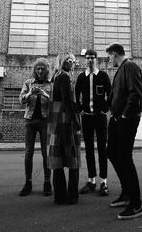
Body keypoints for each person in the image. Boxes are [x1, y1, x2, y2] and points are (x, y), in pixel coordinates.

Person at [106, 43, 142, 220]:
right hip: (116, 118)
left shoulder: (130, 66)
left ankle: (136, 204)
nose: (108, 60)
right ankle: (126, 193)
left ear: (114, 54)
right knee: (112, 152)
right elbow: (118, 94)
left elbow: (135, 93)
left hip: (126, 119)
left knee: (125, 157)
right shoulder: (121, 69)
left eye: (109, 57)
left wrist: (124, 115)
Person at [75, 49, 111, 196]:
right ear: (85, 60)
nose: (90, 60)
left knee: (102, 149)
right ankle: (91, 181)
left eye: (92, 58)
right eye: (87, 58)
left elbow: (111, 93)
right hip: (87, 118)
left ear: (96, 59)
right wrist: (80, 109)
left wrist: (105, 109)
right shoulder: (81, 77)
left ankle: (104, 182)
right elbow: (76, 94)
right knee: (89, 149)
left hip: (100, 117)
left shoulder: (102, 76)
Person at [47, 53, 81, 205]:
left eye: (72, 60)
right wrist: (76, 121)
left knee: (58, 157)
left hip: (56, 120)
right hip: (66, 120)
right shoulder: (65, 77)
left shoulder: (56, 76)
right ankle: (72, 196)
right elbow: (67, 101)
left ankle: (59, 196)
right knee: (73, 157)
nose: (71, 62)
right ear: (61, 61)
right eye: (68, 60)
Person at [19, 57, 52, 197]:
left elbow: (56, 102)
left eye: (42, 69)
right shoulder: (28, 83)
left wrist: (45, 94)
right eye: (37, 68)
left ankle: (47, 182)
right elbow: (21, 100)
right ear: (34, 70)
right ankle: (28, 182)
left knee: (46, 153)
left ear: (46, 70)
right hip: (30, 121)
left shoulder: (51, 84)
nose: (40, 71)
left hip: (45, 121)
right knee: (28, 153)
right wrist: (29, 93)